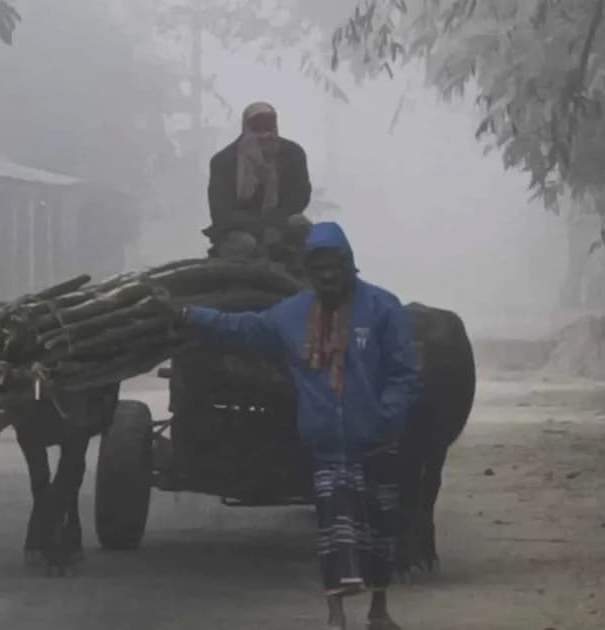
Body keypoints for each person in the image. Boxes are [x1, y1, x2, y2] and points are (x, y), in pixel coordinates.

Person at [172, 221, 420, 630]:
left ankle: (379, 609)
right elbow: (242, 327)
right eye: (317, 267)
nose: (326, 275)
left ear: (349, 265)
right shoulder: (290, 315)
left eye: (333, 266)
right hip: (326, 444)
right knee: (334, 533)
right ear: (307, 270)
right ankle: (336, 616)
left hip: (375, 442)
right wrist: (189, 315)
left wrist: (385, 418)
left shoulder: (382, 308)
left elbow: (403, 374)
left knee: (380, 531)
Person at [204, 101, 312, 265]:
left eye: (268, 127)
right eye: (256, 128)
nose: (264, 135)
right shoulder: (224, 161)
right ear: (245, 128)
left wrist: (275, 225)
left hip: (282, 223)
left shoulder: (292, 153)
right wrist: (260, 229)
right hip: (237, 230)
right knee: (245, 244)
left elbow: (300, 196)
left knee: (302, 226)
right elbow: (221, 211)